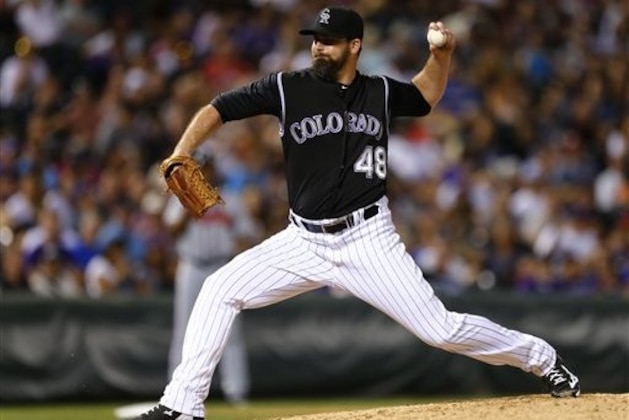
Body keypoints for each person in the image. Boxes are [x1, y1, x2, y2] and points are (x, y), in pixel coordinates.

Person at [136, 7, 580, 420]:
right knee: (219, 289)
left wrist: (440, 55)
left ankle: (542, 359)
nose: (317, 47)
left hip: (368, 238)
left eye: (328, 40)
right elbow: (220, 107)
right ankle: (181, 407)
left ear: (355, 46)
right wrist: (182, 150)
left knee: (440, 330)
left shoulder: (380, 91)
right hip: (303, 240)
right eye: (315, 39)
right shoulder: (288, 88)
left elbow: (425, 95)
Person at [162, 151, 260, 406]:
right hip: (191, 266)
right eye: (201, 166)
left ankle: (236, 393)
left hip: (221, 265)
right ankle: (176, 394)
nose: (205, 171)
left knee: (229, 329)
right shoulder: (181, 193)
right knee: (183, 329)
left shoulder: (231, 197)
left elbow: (247, 234)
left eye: (208, 166)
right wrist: (189, 203)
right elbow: (170, 230)